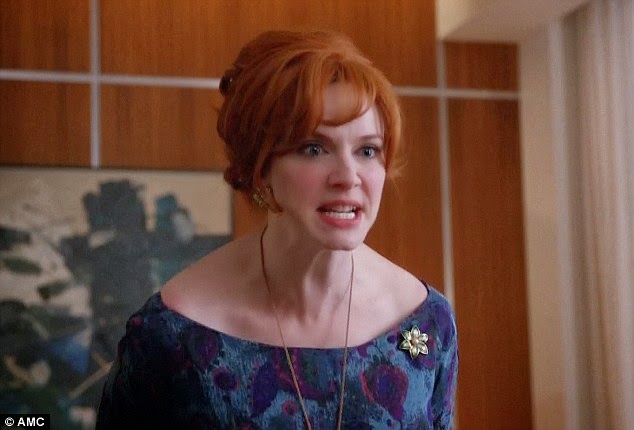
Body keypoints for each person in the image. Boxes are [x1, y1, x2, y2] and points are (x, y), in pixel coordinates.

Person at [96, 30, 458, 430]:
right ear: (261, 166)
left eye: (367, 150)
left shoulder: (426, 320)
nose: (348, 176)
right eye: (314, 148)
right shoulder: (171, 334)